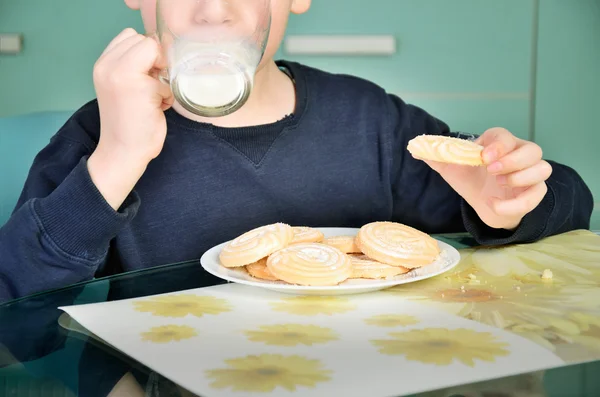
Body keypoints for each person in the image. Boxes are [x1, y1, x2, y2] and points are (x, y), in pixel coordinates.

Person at [0, 0, 593, 303]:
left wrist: (509, 204)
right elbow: (17, 303)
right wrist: (119, 157)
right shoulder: (96, 139)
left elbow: (572, 201)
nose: (214, 10)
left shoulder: (372, 122)